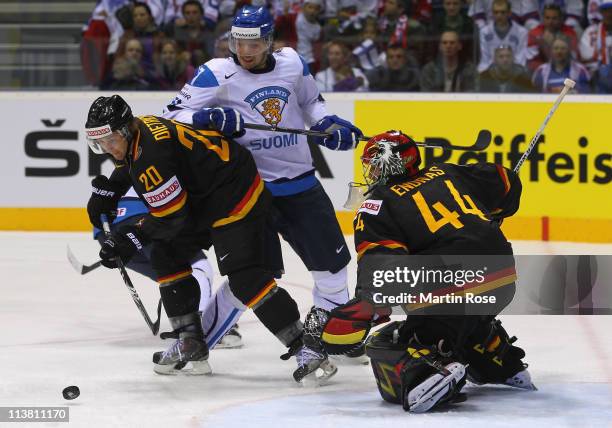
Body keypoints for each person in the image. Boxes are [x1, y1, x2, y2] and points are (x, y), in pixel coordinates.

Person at [161, 5, 364, 383]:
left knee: (333, 271)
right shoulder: (216, 73)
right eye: (238, 41)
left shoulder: (292, 62)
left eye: (254, 43)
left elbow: (309, 103)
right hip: (247, 194)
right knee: (248, 279)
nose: (245, 51)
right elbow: (169, 117)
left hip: (301, 183)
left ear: (270, 41)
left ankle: (331, 337)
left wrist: (326, 123)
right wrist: (206, 119)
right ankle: (196, 341)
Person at [84, 95, 304, 376]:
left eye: (111, 140)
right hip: (205, 196)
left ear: (126, 129)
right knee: (166, 253)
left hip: (234, 193)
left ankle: (305, 346)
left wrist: (132, 239)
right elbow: (131, 166)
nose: (107, 148)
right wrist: (110, 191)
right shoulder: (140, 132)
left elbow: (170, 218)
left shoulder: (151, 155)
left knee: (245, 277)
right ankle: (190, 342)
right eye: (100, 142)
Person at [318, 130, 535, 412]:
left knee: (411, 336)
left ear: (387, 165)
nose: (370, 171)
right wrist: (493, 214)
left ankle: (433, 368)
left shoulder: (376, 204)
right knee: (468, 317)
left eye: (372, 164)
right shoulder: (448, 172)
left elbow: (382, 265)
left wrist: (368, 303)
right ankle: (499, 361)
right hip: (503, 277)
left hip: (452, 287)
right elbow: (507, 181)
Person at [90, 186, 242, 349]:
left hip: (106, 232)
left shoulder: (127, 172)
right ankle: (202, 329)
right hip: (142, 218)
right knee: (198, 267)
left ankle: (192, 324)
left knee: (176, 276)